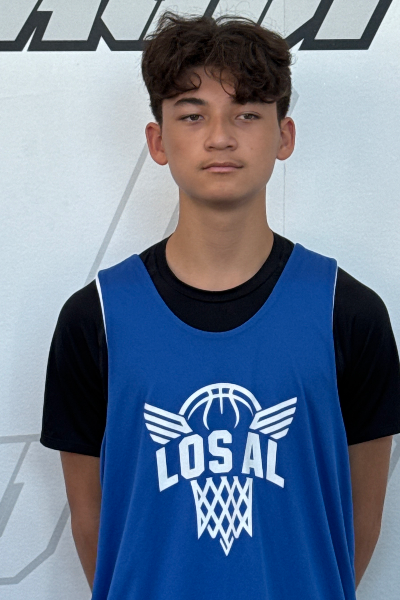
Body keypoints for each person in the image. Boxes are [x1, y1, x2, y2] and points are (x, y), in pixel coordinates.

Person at [40, 10, 400, 600]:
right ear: (158, 141)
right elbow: (95, 529)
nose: (220, 137)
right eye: (192, 114)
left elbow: (354, 526)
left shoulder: (349, 313)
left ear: (284, 136)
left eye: (247, 113)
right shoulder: (95, 318)